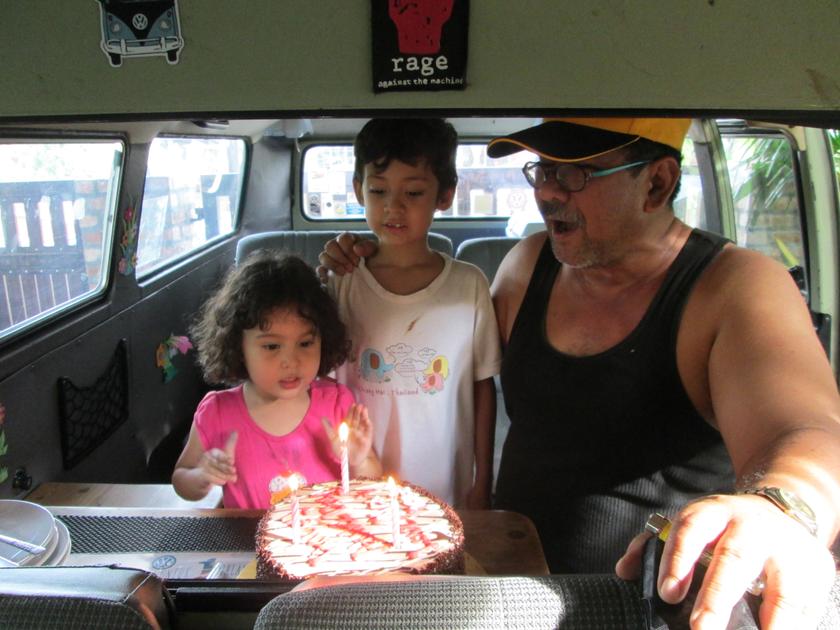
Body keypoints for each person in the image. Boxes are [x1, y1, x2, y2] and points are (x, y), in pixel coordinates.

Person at [318, 117, 840, 629]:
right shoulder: (527, 265)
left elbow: (809, 431)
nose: (546, 193)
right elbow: (431, 349)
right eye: (542, 170)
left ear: (656, 183)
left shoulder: (734, 288)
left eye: (574, 174)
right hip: (499, 592)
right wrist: (370, 259)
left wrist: (781, 509)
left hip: (642, 608)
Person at [325, 118, 501, 508]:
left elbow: (482, 385)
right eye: (378, 190)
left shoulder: (468, 286)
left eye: (414, 192)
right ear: (358, 190)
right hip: (358, 484)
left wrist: (482, 479)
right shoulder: (342, 282)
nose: (394, 207)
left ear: (445, 195)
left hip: (445, 483)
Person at [172, 251, 382, 509]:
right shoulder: (217, 412)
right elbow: (182, 480)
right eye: (272, 347)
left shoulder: (337, 403)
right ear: (238, 347)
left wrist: (359, 460)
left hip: (323, 542)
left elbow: (373, 483)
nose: (291, 361)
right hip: (248, 544)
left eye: (305, 343)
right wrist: (202, 475)